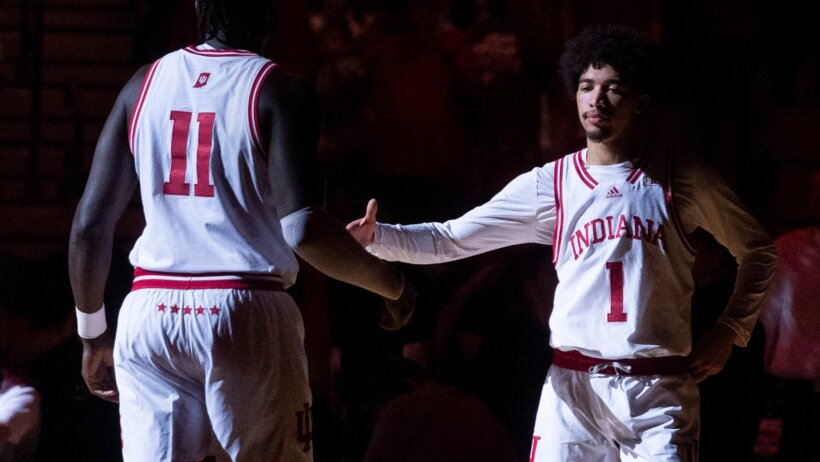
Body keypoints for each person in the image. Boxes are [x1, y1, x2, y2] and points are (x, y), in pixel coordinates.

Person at [347, 24, 777, 461]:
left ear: (640, 102)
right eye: (587, 86)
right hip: (573, 389)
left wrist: (729, 330)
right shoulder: (550, 184)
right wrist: (378, 238)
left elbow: (758, 250)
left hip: (656, 388)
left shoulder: (680, 177)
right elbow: (452, 239)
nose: (596, 99)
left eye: (613, 89)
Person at [68, 1, 415, 461]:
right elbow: (305, 230)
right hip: (244, 304)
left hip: (150, 312)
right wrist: (392, 284)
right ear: (271, 14)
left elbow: (89, 229)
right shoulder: (280, 90)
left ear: (198, 7)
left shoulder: (142, 84)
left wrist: (93, 336)